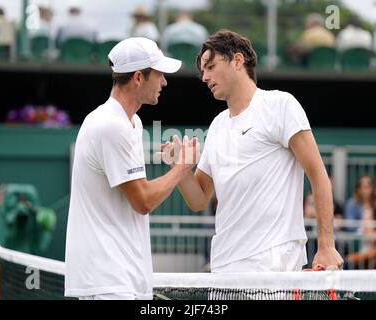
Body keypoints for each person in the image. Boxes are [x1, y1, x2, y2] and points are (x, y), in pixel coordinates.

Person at [162, 29, 343, 273]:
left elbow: (319, 176)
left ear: (238, 60)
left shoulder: (280, 105)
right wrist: (181, 168)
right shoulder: (217, 126)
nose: (204, 77)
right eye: (203, 71)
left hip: (273, 261)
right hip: (224, 265)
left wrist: (326, 245)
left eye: (211, 66)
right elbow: (198, 200)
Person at [64, 37, 199, 300]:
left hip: (124, 279)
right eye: (159, 75)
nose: (164, 82)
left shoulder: (131, 123)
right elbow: (143, 200)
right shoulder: (110, 125)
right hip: (108, 284)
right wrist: (182, 167)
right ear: (138, 78)